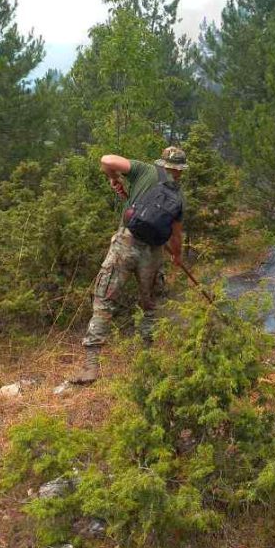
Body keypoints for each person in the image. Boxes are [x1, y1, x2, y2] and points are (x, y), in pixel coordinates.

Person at [70, 146, 187, 385]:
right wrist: (177, 256)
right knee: (150, 307)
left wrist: (114, 179)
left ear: (162, 163)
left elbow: (106, 159)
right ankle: (147, 364)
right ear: (180, 171)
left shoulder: (144, 170)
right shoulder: (178, 196)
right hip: (153, 254)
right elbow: (176, 236)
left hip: (125, 243)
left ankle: (91, 366)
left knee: (104, 302)